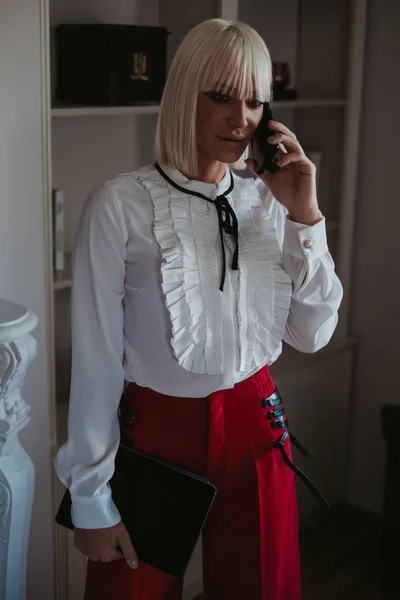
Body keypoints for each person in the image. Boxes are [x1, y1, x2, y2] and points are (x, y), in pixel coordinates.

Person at [54, 17, 343, 600]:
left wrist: (307, 220)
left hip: (257, 423)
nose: (243, 119)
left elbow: (312, 335)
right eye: (222, 97)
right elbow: (97, 360)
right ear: (185, 94)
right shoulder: (121, 206)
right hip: (154, 434)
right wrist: (90, 498)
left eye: (256, 101)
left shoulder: (273, 200)